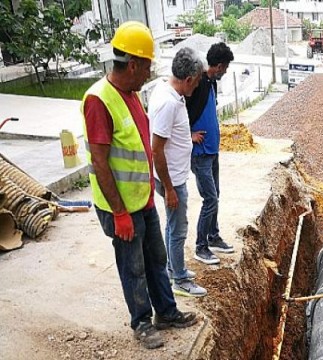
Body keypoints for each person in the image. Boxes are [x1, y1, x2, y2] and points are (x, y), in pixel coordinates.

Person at [82, 21, 197, 350]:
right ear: (132, 64)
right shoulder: (99, 101)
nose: (149, 73)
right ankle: (141, 322)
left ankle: (166, 311)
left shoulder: (130, 94)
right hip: (121, 207)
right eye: (146, 66)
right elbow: (100, 162)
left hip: (142, 200)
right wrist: (119, 213)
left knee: (156, 257)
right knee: (133, 266)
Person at [148, 47, 206, 297]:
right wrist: (170, 188)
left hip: (174, 175)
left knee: (172, 226)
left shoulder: (169, 92)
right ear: (189, 79)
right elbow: (156, 149)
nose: (197, 87)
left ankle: (173, 268)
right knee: (178, 228)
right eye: (197, 82)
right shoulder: (168, 103)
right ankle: (180, 280)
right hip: (171, 178)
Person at [185, 42, 236, 265]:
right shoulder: (198, 84)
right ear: (217, 65)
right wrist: (189, 134)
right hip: (200, 153)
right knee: (210, 199)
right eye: (224, 68)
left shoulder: (211, 84)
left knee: (216, 196)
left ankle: (213, 236)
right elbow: (180, 113)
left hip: (212, 151)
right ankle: (200, 246)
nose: (225, 72)